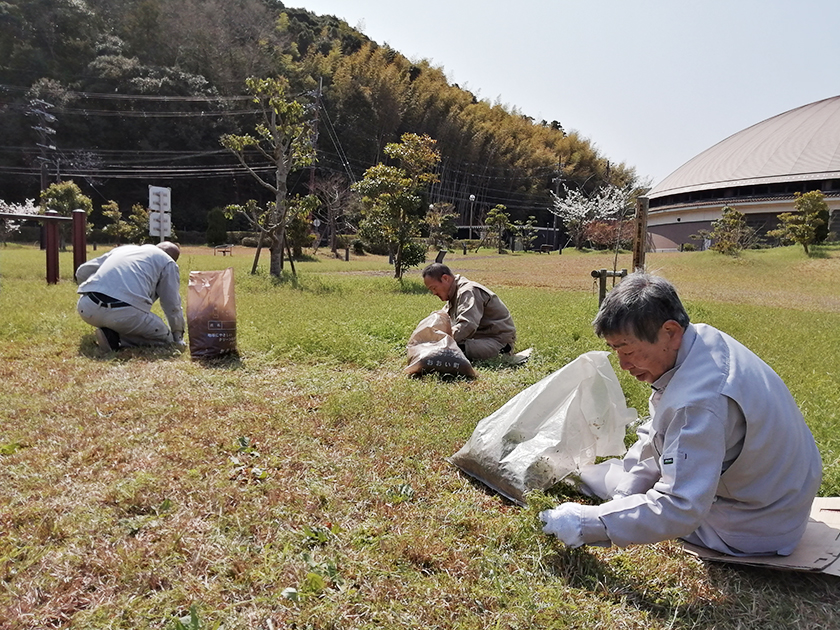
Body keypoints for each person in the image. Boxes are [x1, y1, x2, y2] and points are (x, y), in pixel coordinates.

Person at [540, 271, 822, 557]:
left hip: (755, 525)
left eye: (628, 350)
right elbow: (661, 433)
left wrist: (586, 524)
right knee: (614, 480)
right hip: (782, 499)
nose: (623, 365)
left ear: (670, 332)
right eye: (615, 351)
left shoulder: (700, 401)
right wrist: (624, 495)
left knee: (608, 485)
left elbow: (681, 507)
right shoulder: (702, 342)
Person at [75, 242, 186, 352]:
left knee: (116, 319)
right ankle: (117, 338)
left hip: (87, 308)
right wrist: (177, 336)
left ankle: (111, 331)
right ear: (174, 258)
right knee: (165, 337)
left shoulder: (123, 249)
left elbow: (82, 272)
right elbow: (172, 304)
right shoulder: (167, 262)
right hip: (125, 315)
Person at [421, 262, 516, 361]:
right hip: (478, 339)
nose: (434, 293)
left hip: (498, 342)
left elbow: (467, 325)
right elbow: (442, 318)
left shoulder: (468, 291)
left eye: (434, 288)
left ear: (446, 278)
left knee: (447, 349)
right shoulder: (454, 294)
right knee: (437, 348)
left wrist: (439, 339)